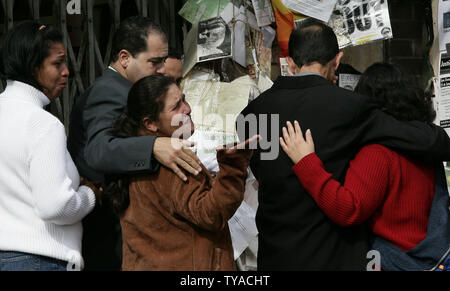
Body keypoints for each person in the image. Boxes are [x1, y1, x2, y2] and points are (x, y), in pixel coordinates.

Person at [237, 18, 450, 270]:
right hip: (332, 258)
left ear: (291, 63)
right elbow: (426, 140)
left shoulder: (249, 116)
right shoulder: (349, 108)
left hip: (274, 257)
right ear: (336, 61)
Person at [280, 63, 450, 271]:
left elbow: (348, 210)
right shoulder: (425, 144)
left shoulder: (378, 152)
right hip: (433, 258)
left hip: (393, 262)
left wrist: (306, 162)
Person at [67, 16, 202, 270]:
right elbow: (98, 150)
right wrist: (153, 147)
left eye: (164, 61)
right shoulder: (110, 90)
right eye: (154, 62)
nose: (162, 69)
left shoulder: (129, 89)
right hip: (111, 237)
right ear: (125, 58)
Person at [104, 75, 256, 270]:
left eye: (184, 99)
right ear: (150, 123)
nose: (188, 109)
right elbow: (212, 213)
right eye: (176, 107)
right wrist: (233, 166)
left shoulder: (130, 156)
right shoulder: (172, 162)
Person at [0, 21, 100, 271]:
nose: (67, 71)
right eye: (57, 64)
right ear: (33, 68)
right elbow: (56, 205)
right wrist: (90, 196)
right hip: (40, 260)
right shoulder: (43, 124)